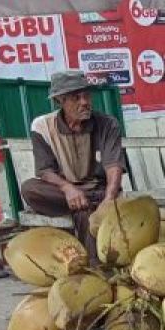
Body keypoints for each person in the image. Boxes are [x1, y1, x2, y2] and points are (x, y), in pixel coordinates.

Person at [20, 70, 126, 253]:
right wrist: (68, 189)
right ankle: (85, 203)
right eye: (76, 98)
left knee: (85, 211)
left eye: (86, 96)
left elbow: (113, 165)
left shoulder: (107, 124)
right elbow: (45, 170)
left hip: (98, 192)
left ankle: (94, 266)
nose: (84, 102)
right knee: (29, 188)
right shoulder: (42, 126)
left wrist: (109, 198)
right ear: (59, 100)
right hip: (63, 193)